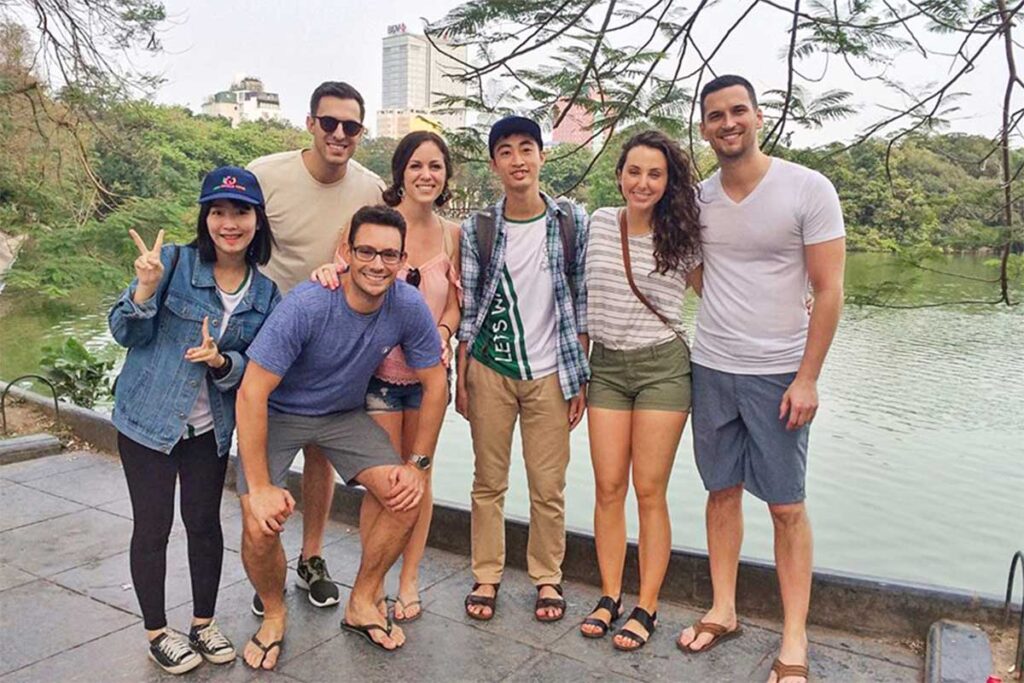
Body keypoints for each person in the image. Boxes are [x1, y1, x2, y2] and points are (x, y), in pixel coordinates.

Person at [675, 75, 846, 683]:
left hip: (779, 374)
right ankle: (725, 608)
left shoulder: (807, 188)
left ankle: (795, 637)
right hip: (712, 366)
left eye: (738, 111)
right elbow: (698, 274)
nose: (729, 123)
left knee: (785, 506)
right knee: (720, 492)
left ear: (759, 115)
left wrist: (808, 377)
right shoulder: (698, 200)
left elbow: (829, 290)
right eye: (716, 115)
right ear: (704, 128)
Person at [235, 205, 446, 669]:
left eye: (388, 255)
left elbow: (436, 384)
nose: (376, 264)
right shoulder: (309, 305)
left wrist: (419, 464)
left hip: (342, 415)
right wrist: (261, 486)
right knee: (258, 518)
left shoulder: (406, 304)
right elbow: (251, 393)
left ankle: (364, 602)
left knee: (406, 495)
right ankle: (273, 613)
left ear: (403, 260)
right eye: (366, 250)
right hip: (280, 413)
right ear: (346, 252)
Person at [108, 166, 279, 675]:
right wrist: (143, 289)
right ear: (205, 219)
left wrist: (222, 362)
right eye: (219, 212)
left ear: (257, 220)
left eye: (241, 212)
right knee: (153, 527)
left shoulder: (266, 295)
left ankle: (203, 623)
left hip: (209, 428)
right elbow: (124, 333)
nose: (230, 223)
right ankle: (158, 632)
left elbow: (258, 366)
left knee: (204, 525)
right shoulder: (170, 264)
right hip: (147, 420)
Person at [247, 81, 384, 613]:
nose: (339, 134)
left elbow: (381, 255)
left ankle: (311, 557)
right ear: (310, 123)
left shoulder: (369, 188)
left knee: (322, 450)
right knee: (264, 451)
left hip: (336, 340)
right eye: (329, 123)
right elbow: (234, 238)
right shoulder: (267, 175)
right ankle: (268, 569)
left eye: (351, 127)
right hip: (272, 334)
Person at [312, 131, 461, 624]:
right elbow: (340, 272)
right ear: (400, 172)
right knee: (383, 481)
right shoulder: (372, 224)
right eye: (416, 165)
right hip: (374, 374)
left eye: (435, 166)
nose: (426, 175)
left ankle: (409, 577)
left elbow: (458, 303)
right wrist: (323, 274)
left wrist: (442, 329)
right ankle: (369, 583)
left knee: (418, 476)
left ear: (445, 176)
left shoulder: (451, 234)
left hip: (428, 377)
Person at [457, 115, 589, 623]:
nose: (518, 160)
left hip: (552, 373)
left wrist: (580, 374)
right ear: (494, 164)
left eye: (526, 148)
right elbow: (469, 311)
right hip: (490, 368)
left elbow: (579, 302)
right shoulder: (481, 229)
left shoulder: (569, 222)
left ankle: (547, 578)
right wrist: (461, 378)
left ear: (542, 155)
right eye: (506, 151)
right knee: (488, 481)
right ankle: (486, 574)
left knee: (547, 485)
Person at [578, 131, 702, 651]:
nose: (642, 183)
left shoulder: (684, 236)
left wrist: (795, 302)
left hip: (662, 368)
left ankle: (646, 605)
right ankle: (610, 595)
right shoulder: (599, 223)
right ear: (620, 174)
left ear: (668, 181)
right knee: (608, 488)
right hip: (605, 366)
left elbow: (720, 292)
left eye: (655, 174)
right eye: (634, 171)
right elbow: (574, 291)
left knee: (649, 491)